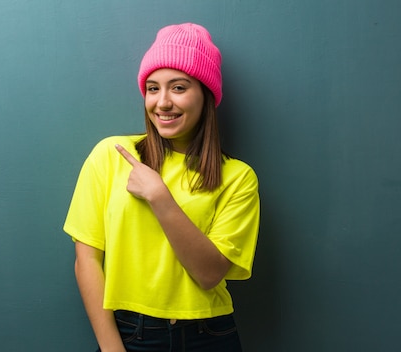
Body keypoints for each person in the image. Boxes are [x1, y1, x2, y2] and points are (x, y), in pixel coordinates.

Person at [63, 23, 260, 352]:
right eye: (153, 89)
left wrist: (160, 197)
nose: (162, 102)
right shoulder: (111, 156)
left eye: (178, 88)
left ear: (205, 95)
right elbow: (86, 260)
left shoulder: (238, 178)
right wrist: (112, 348)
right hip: (130, 333)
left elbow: (209, 274)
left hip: (209, 336)